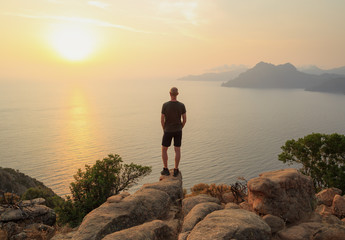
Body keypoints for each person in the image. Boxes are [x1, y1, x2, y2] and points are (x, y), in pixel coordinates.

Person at [161, 87, 186, 177]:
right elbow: (185, 119)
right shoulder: (182, 105)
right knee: (177, 149)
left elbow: (162, 120)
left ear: (169, 93)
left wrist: (164, 129)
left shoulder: (165, 105)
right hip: (178, 130)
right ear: (177, 94)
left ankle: (166, 169)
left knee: (164, 149)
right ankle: (176, 169)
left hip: (168, 130)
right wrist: (180, 127)